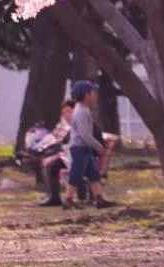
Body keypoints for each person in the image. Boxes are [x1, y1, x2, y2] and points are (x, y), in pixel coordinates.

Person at [64, 81, 115, 209]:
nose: (94, 95)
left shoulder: (83, 109)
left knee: (94, 174)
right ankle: (68, 200)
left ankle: (99, 199)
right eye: (92, 92)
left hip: (85, 148)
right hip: (80, 148)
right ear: (86, 95)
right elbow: (85, 135)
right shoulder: (81, 111)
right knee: (76, 174)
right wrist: (99, 147)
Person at [36, 100, 76, 208]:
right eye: (64, 113)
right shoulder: (67, 127)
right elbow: (61, 144)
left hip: (81, 156)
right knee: (49, 165)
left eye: (69, 111)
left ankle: (62, 197)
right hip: (69, 156)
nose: (67, 115)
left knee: (51, 163)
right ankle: (54, 197)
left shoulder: (82, 123)